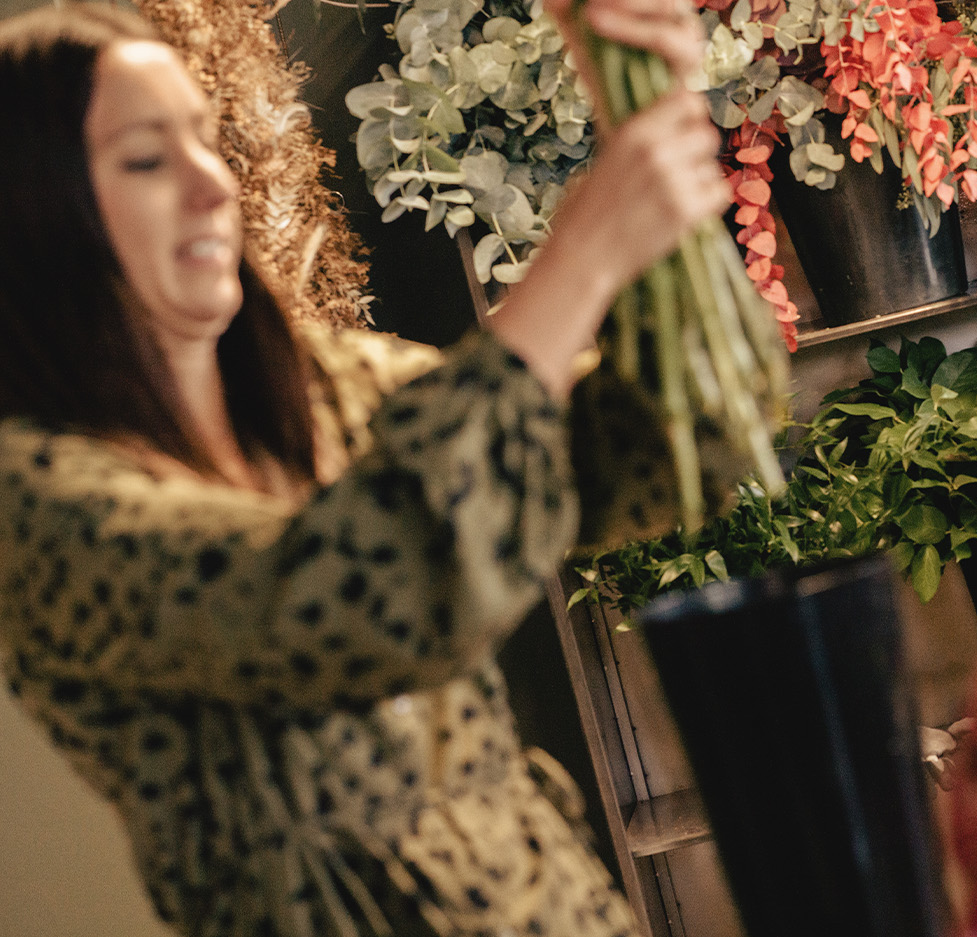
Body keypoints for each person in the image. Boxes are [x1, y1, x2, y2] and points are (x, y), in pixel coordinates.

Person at [0, 0, 728, 934]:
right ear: (34, 215)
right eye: (146, 159)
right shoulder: (36, 504)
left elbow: (661, 451)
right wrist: (579, 259)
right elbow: (367, 589)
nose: (209, 183)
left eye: (203, 139)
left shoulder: (322, 383)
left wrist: (646, 123)